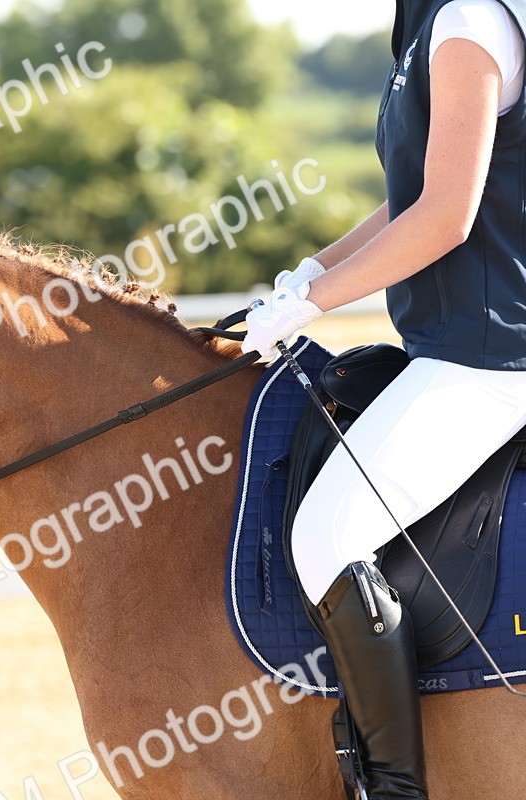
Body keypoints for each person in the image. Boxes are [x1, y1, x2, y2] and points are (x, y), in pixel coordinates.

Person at [243, 1, 526, 797]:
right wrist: (310, 269)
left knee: (329, 536)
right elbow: (415, 191)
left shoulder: (471, 19)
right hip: (453, 343)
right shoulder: (431, 19)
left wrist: (317, 303)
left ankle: (395, 789)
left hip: (495, 355)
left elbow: (445, 217)